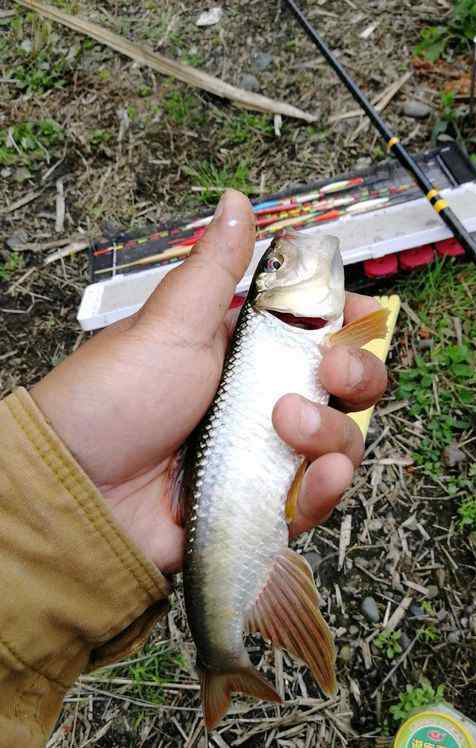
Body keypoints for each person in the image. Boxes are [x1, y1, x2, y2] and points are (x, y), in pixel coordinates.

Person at [0, 190, 388, 746]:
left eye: (271, 264)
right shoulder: (266, 326)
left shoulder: (281, 326)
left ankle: (221, 659)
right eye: (275, 264)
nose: (281, 258)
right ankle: (222, 657)